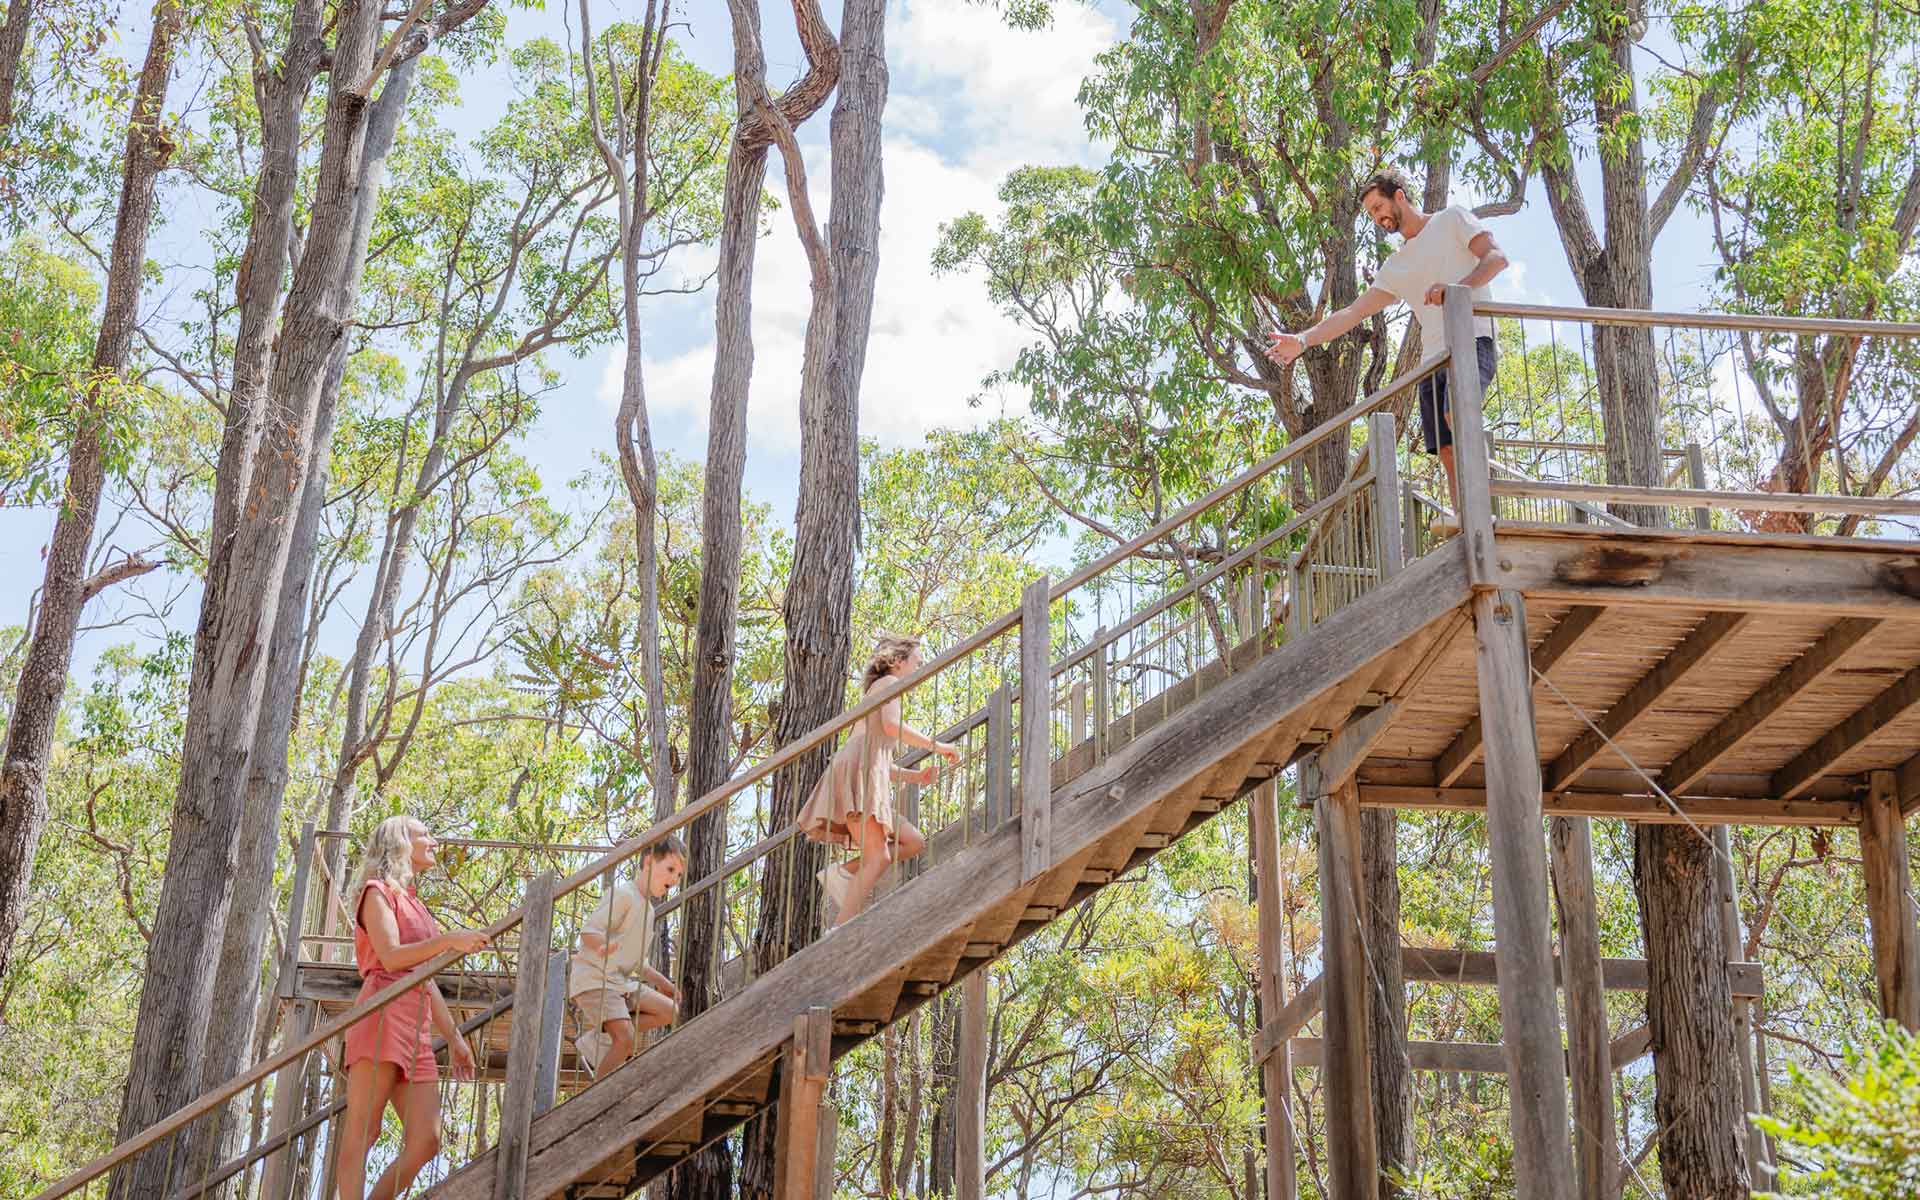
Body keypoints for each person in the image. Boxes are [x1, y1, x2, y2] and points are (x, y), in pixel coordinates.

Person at [1265, 166, 1509, 524]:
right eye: (1370, 214)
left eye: (1379, 206)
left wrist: (1456, 289)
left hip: (1473, 338)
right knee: (1444, 446)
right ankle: (1465, 517)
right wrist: (1303, 340)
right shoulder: (1396, 265)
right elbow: (1351, 313)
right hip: (1432, 357)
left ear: (1399, 196)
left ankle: (1482, 509)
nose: (1377, 217)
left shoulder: (1451, 219)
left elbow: (1496, 259)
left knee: (1456, 411)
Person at [335, 816, 490, 1200]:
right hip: (382, 1013)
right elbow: (390, 957)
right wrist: (450, 940)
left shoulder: (415, 902)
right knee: (364, 1130)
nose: (435, 841)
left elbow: (425, 975)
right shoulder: (376, 892)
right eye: (426, 835)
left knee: (427, 1139)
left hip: (417, 1024)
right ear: (402, 842)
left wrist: (454, 1038)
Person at [797, 634, 961, 928]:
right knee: (878, 856)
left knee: (913, 841)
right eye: (916, 662)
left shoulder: (880, 690)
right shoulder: (889, 685)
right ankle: (840, 929)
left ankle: (844, 872)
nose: (919, 669)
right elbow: (890, 727)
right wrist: (938, 746)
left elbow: (874, 756)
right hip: (859, 777)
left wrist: (915, 777)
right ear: (898, 662)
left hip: (863, 773)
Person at [568, 834, 688, 1078]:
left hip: (621, 982)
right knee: (625, 1039)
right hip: (595, 980)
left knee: (670, 1011)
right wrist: (604, 945)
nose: (674, 879)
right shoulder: (623, 894)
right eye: (670, 869)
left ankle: (599, 1038)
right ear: (647, 862)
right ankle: (597, 1098)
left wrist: (664, 983)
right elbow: (589, 931)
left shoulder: (649, 911)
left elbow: (637, 962)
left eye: (679, 875)